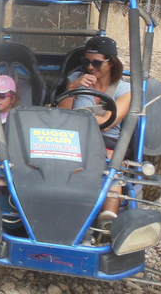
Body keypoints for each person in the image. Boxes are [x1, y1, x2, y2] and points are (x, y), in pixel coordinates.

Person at [56, 35, 131, 229]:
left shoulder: (125, 89)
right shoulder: (76, 80)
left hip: (106, 141)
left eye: (97, 63)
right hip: (75, 137)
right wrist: (72, 89)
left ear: (111, 63)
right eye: (86, 62)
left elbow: (108, 123)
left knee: (113, 161)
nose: (90, 68)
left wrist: (80, 116)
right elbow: (61, 114)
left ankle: (108, 217)